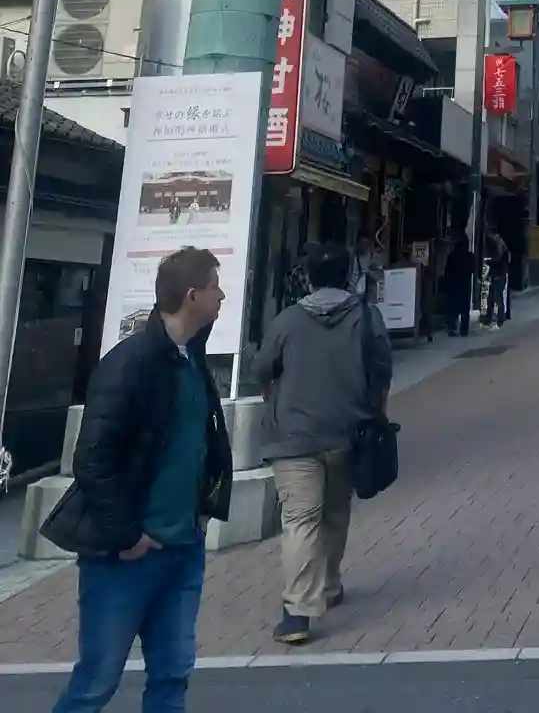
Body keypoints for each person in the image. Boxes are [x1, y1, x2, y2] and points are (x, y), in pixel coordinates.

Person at [43, 247, 232, 713]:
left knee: (171, 675)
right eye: (215, 287)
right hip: (127, 555)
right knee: (97, 682)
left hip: (183, 546)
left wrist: (204, 508)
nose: (223, 295)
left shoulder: (192, 358)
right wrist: (127, 535)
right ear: (192, 296)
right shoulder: (132, 363)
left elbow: (200, 442)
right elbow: (92, 458)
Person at [254, 240, 393, 645]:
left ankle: (298, 612)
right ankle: (329, 584)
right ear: (349, 274)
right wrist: (377, 415)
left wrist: (273, 396)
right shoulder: (366, 317)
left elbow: (262, 368)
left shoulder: (287, 320)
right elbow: (382, 372)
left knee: (300, 519)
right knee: (334, 511)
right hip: (348, 432)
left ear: (309, 277)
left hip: (294, 436)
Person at [441, 232, 477, 337]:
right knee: (465, 308)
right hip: (465, 284)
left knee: (453, 307)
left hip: (453, 283)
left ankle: (452, 328)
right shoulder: (469, 256)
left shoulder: (451, 256)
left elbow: (447, 270)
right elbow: (473, 269)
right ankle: (464, 330)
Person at [482, 228, 510, 326]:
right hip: (498, 275)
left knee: (497, 298)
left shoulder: (499, 243)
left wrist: (488, 261)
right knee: (493, 298)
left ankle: (499, 318)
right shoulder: (500, 244)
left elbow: (497, 259)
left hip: (499, 275)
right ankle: (493, 317)